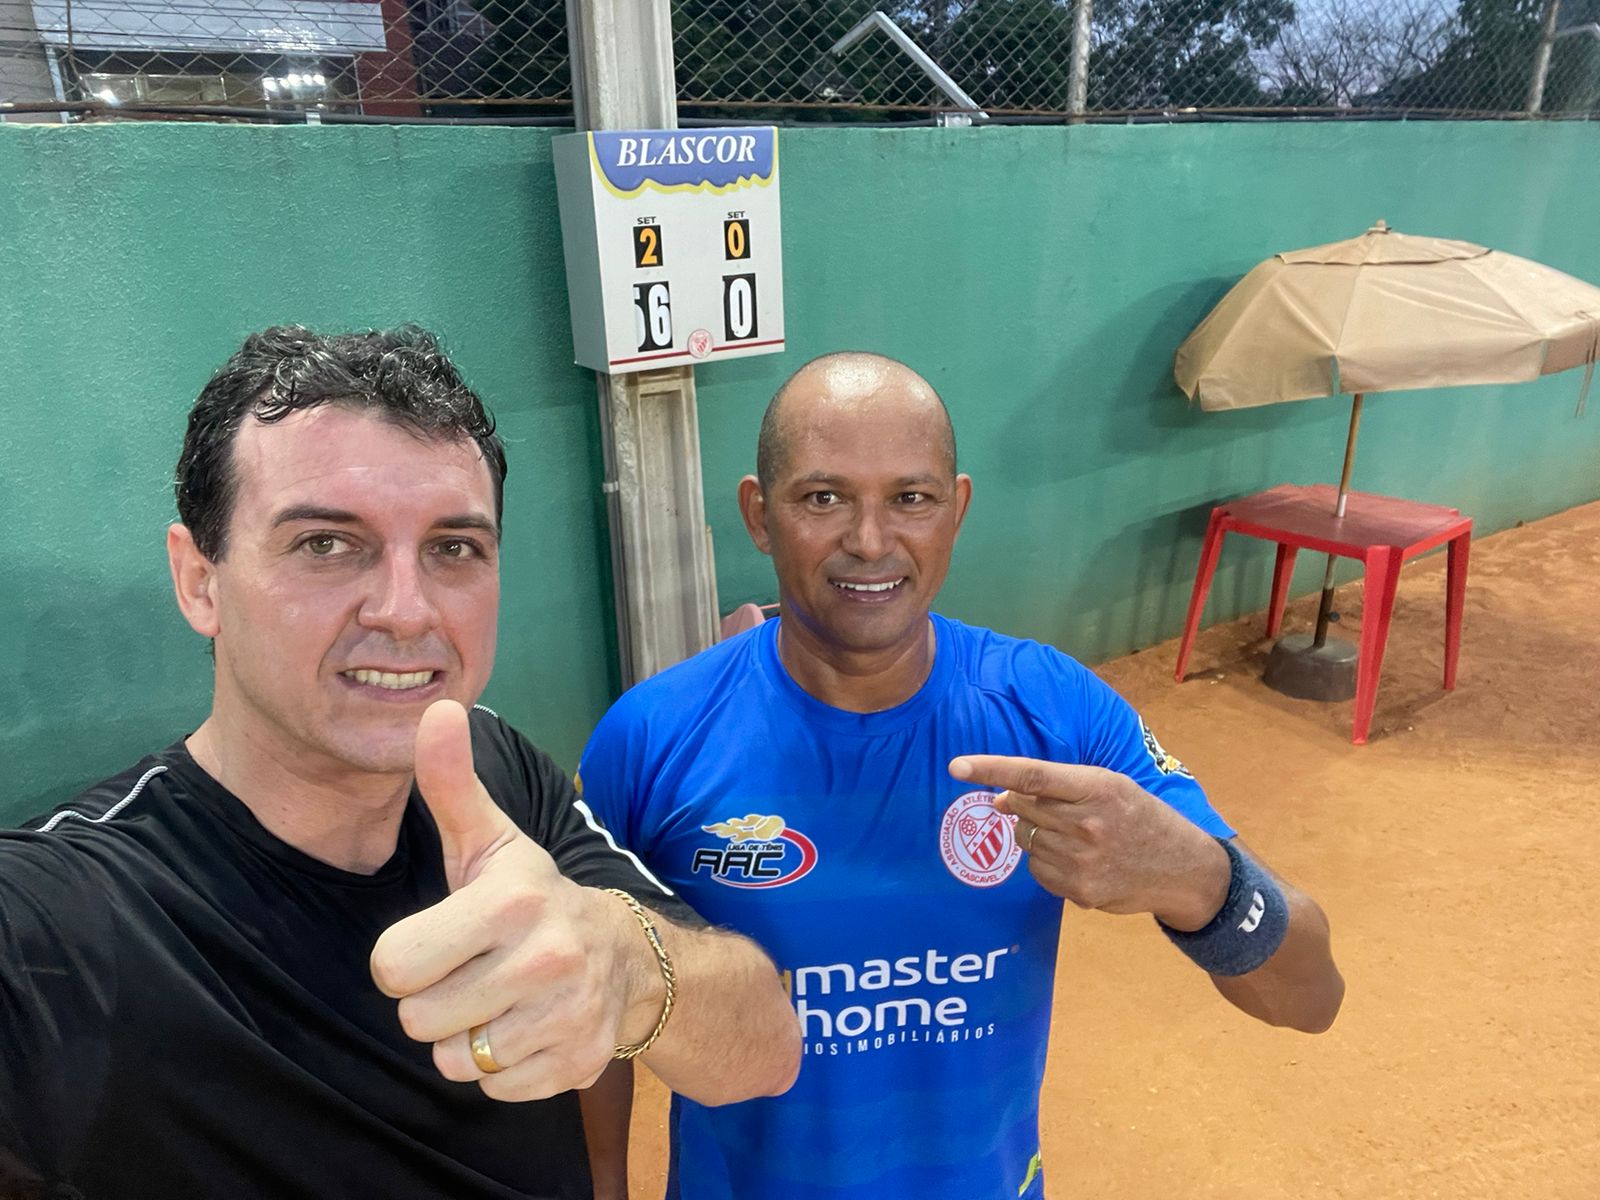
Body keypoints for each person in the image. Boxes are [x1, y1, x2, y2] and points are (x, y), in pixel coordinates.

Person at [0, 326, 800, 1200]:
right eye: (325, 544)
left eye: (453, 548)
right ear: (200, 581)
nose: (406, 610)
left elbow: (764, 1048)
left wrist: (628, 964)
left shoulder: (491, 772)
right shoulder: (69, 918)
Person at [577, 351, 1346, 1199]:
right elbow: (586, 1008)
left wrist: (1200, 878)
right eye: (824, 498)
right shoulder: (650, 740)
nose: (871, 541)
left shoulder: (1056, 713)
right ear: (760, 516)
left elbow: (1309, 1000)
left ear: (958, 509)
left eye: (911, 498)